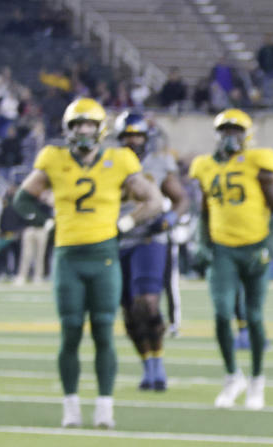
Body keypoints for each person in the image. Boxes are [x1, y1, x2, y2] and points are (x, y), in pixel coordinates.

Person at [11, 97, 163, 428]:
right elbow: (23, 199)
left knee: (104, 331)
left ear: (100, 129)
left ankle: (105, 406)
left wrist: (125, 225)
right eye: (77, 125)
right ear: (68, 129)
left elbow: (154, 200)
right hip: (69, 256)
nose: (83, 131)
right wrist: (47, 222)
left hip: (104, 255)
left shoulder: (120, 159)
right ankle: (71, 406)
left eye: (89, 125)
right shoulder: (52, 158)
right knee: (70, 332)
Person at [189, 108, 273, 410]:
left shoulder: (258, 162)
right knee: (221, 314)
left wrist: (269, 246)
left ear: (247, 136)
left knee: (254, 316)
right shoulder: (204, 165)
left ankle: (257, 381)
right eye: (225, 131)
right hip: (223, 251)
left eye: (236, 131)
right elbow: (204, 211)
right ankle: (233, 376)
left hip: (254, 249)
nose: (230, 137)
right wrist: (201, 242)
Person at [114, 110, 190, 391]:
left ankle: (158, 363)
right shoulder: (110, 163)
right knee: (129, 312)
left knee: (147, 303)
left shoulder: (158, 163)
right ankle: (147, 364)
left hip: (149, 238)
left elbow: (181, 199)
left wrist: (170, 218)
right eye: (128, 136)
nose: (133, 141)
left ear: (146, 138)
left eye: (137, 135)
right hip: (118, 240)